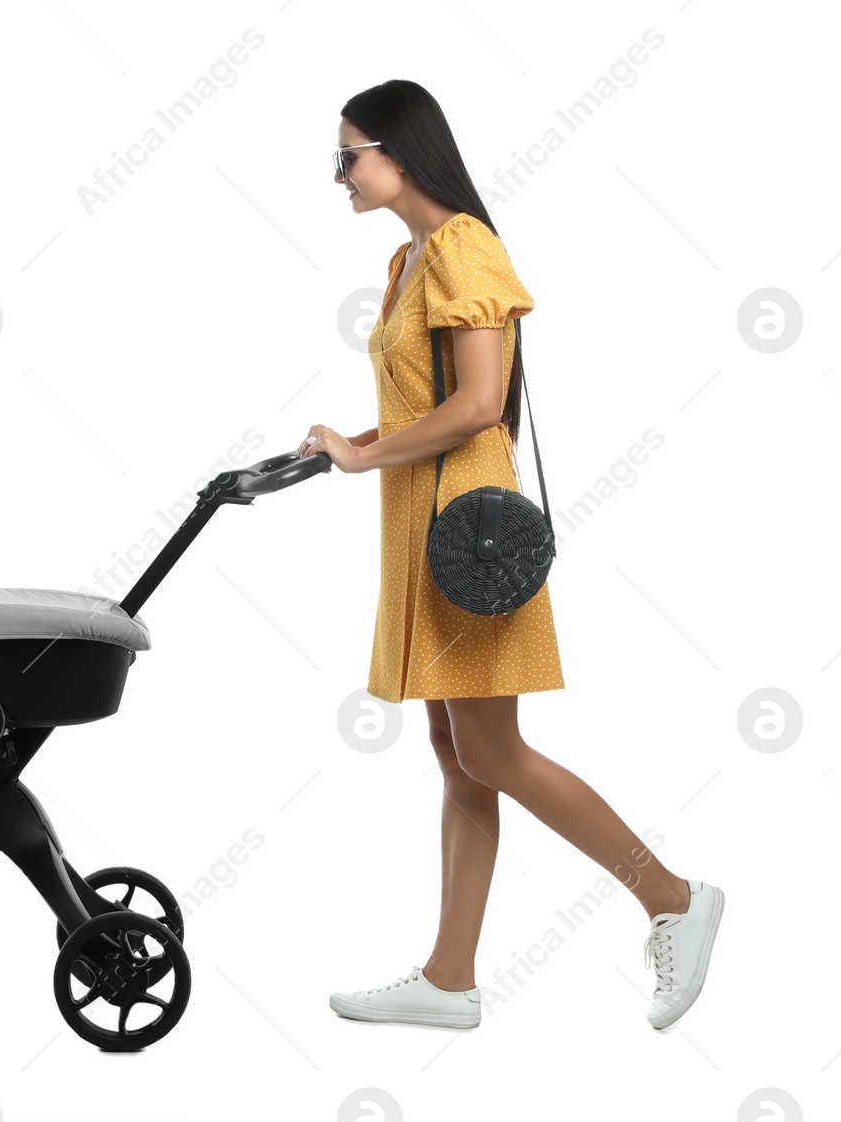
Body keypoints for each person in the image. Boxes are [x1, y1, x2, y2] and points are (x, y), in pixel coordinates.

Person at [302, 80, 723, 1031]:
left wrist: (366, 455)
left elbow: (481, 403)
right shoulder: (407, 259)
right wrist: (355, 439)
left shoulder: (461, 247)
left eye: (348, 155)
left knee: (490, 747)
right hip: (425, 520)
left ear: (400, 153)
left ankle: (673, 899)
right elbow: (432, 403)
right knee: (456, 752)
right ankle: (449, 979)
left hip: (469, 532)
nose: (339, 175)